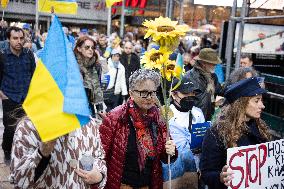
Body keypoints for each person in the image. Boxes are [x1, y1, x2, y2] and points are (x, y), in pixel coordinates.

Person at [99, 69, 177, 189]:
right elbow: (101, 155)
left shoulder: (159, 117)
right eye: (144, 92)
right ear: (131, 93)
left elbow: (165, 156)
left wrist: (171, 152)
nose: (149, 97)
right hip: (121, 185)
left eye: (152, 92)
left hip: (149, 184)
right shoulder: (115, 118)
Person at [200, 77, 271, 189]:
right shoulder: (216, 132)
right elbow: (206, 173)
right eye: (256, 101)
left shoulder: (260, 128)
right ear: (240, 104)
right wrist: (220, 177)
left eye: (261, 100)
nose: (262, 106)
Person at [10, 117, 107, 189]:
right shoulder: (28, 128)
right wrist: (42, 153)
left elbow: (99, 157)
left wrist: (99, 176)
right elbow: (20, 182)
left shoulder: (88, 122)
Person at [162, 77, 207, 189]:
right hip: (173, 171)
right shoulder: (165, 114)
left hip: (195, 169)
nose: (190, 97)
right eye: (186, 93)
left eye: (192, 93)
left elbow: (202, 140)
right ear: (173, 94)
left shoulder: (198, 113)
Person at [0, 26, 36, 164]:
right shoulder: (2, 55)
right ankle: (7, 151)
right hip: (9, 96)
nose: (19, 41)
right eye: (15, 38)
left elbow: (34, 75)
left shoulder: (29, 53)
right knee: (9, 129)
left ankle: (23, 151)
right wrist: (3, 95)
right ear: (9, 39)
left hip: (27, 97)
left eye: (21, 38)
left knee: (26, 127)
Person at [185, 48, 222, 121]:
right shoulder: (189, 77)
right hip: (193, 120)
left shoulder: (213, 76)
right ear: (203, 63)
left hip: (208, 119)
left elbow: (220, 91)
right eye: (213, 63)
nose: (215, 65)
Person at [74, 36, 104, 116]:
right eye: (87, 47)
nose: (90, 49)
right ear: (79, 48)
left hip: (89, 108)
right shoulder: (72, 65)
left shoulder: (96, 66)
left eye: (92, 47)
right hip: (74, 107)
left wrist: (100, 109)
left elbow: (98, 88)